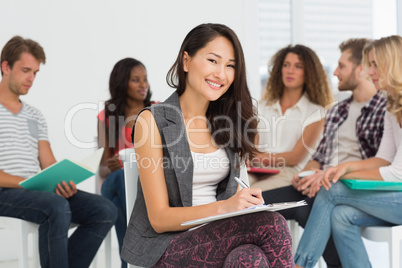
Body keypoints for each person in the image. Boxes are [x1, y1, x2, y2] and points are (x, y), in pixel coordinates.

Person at [121, 23, 294, 268]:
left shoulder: (229, 122)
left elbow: (236, 192)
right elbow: (159, 219)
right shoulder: (152, 120)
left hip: (219, 237)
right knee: (273, 224)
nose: (221, 74)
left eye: (230, 66)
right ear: (186, 61)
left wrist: (246, 202)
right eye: (213, 60)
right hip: (167, 246)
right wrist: (226, 207)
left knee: (248, 260)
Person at [262, 38, 387, 268]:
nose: (336, 72)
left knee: (312, 202)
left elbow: (384, 164)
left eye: (341, 66)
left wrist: (328, 176)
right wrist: (306, 176)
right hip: (324, 184)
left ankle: (300, 264)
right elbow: (318, 157)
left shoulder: (384, 108)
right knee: (262, 202)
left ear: (360, 69)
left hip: (351, 187)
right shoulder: (338, 110)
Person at [0, 36, 118, 268]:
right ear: (6, 67)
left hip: (34, 190)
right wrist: (29, 182)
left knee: (104, 209)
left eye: (35, 72)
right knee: (55, 206)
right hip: (6, 191)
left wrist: (61, 180)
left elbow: (48, 163)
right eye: (26, 70)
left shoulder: (34, 115)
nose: (31, 78)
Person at [294, 35, 402, 268]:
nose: (369, 71)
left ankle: (300, 265)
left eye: (374, 64)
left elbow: (397, 174)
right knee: (340, 215)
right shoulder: (392, 106)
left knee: (330, 189)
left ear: (391, 64)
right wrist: (342, 168)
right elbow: (383, 159)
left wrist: (338, 175)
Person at [249, 44, 333, 191]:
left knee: (251, 194)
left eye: (298, 66)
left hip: (288, 173)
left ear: (308, 73)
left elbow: (295, 157)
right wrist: (256, 159)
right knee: (232, 190)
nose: (290, 71)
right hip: (257, 170)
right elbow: (252, 147)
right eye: (286, 65)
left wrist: (259, 158)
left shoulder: (316, 113)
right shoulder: (261, 107)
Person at [97, 58, 154, 268]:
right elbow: (102, 168)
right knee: (122, 178)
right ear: (122, 83)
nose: (143, 85)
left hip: (146, 182)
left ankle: (129, 263)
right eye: (136, 80)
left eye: (145, 79)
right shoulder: (108, 115)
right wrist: (110, 164)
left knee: (120, 203)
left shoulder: (156, 111)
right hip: (117, 180)